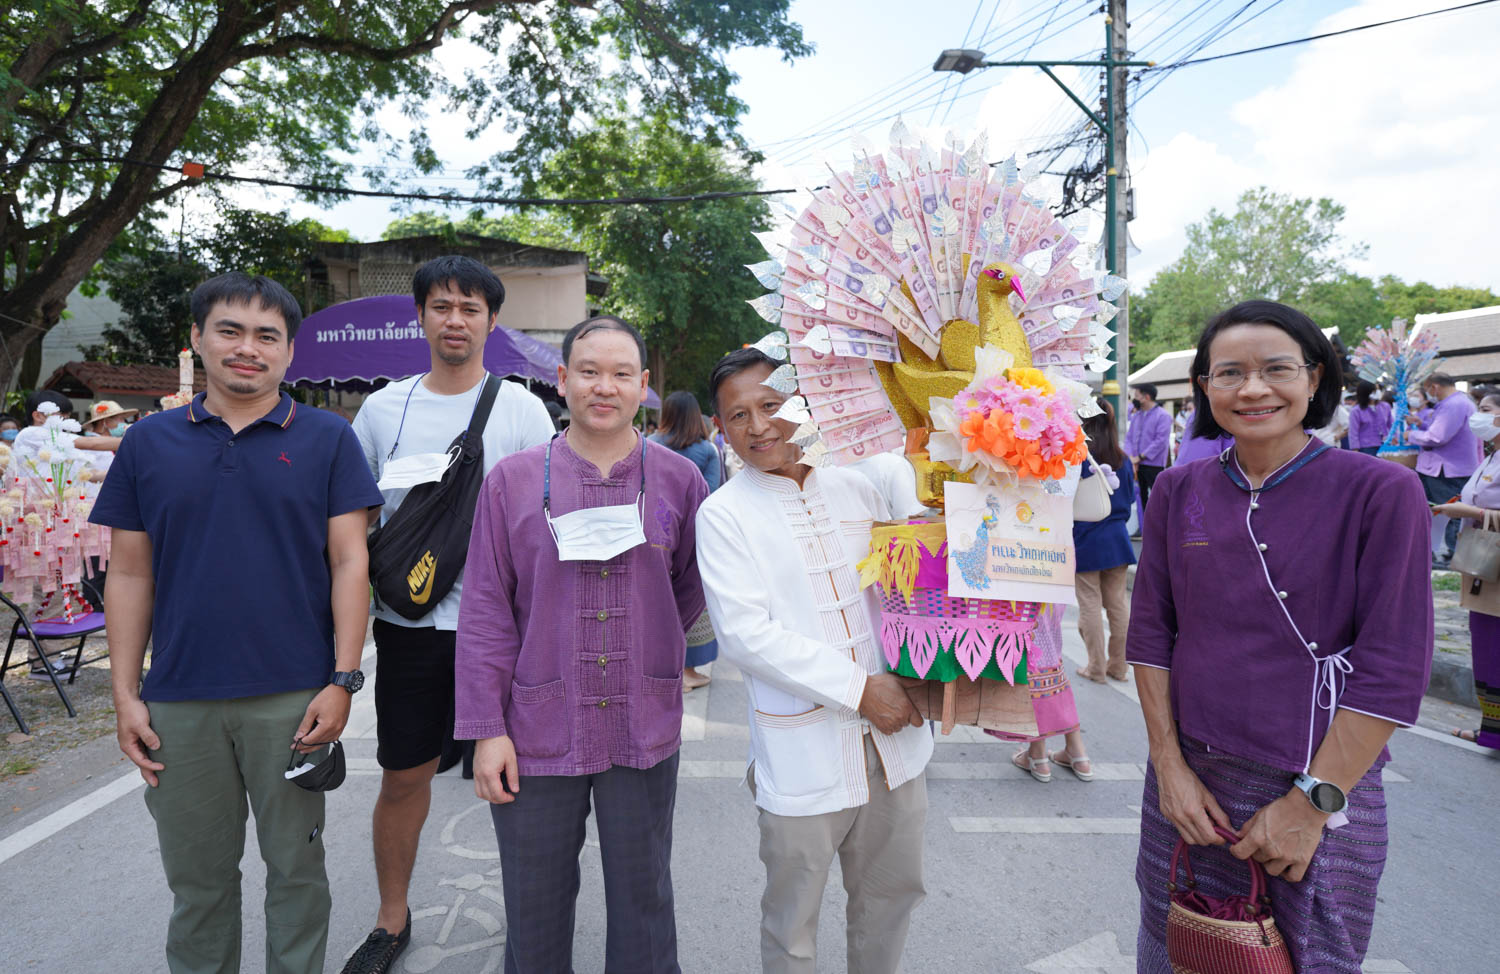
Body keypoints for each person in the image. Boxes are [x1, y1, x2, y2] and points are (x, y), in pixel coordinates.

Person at [89, 272, 384, 974]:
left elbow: (351, 562)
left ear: (289, 352)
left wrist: (343, 679)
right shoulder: (148, 443)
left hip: (294, 698)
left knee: (297, 875)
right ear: (197, 338)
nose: (248, 348)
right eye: (230, 330)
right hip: (179, 701)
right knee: (198, 886)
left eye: (267, 336)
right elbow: (129, 573)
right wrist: (125, 694)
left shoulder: (327, 439)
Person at [1128, 300, 1432, 974]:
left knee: (1306, 957)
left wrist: (1310, 805)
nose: (1253, 389)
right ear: (1205, 387)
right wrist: (1169, 769)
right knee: (1177, 946)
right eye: (1229, 373)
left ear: (1314, 377)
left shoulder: (1381, 491)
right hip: (1189, 787)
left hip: (1318, 783)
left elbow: (1392, 667)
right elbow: (1150, 635)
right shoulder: (1178, 490)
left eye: (1276, 369)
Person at [455, 315, 708, 974]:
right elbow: (485, 610)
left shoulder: (681, 480)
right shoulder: (511, 481)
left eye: (621, 373)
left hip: (642, 722)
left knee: (644, 897)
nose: (605, 386)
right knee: (533, 905)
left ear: (643, 386)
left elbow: (691, 587)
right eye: (589, 371)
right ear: (563, 379)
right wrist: (487, 729)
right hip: (535, 728)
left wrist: (652, 647)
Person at [343, 256, 555, 974]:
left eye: (470, 308)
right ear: (421, 317)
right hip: (411, 632)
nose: (455, 320)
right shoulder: (383, 410)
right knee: (405, 777)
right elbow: (354, 528)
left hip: (505, 634)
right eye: (441, 306)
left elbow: (542, 523)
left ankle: (534, 926)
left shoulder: (523, 411)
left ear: (492, 321)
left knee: (522, 783)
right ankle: (390, 920)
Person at [695, 346, 932, 974]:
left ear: (801, 401)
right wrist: (862, 690)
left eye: (771, 404)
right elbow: (745, 635)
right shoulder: (723, 515)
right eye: (738, 415)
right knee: (792, 926)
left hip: (898, 746)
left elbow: (919, 569)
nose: (759, 426)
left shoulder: (861, 481)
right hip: (802, 757)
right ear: (720, 427)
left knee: (890, 902)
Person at [1432, 393, 1500, 747]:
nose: (1478, 417)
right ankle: (1492, 730)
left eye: (1486, 410)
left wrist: (1471, 513)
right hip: (1483, 568)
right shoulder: (1491, 456)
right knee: (1486, 647)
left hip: (1494, 566)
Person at [650, 390, 722, 692]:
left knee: (654, 602)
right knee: (691, 601)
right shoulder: (707, 451)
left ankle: (660, 668)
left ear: (666, 414)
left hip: (655, 536)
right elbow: (712, 494)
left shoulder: (650, 444)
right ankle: (687, 671)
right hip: (694, 537)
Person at [1073, 398, 1135, 685]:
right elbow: (1129, 498)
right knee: (1118, 605)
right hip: (1117, 541)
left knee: (1089, 604)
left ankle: (1096, 667)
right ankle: (1119, 667)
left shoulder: (1077, 458)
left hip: (1086, 539)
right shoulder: (1123, 459)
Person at [1409, 372, 1482, 569]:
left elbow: (1437, 437)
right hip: (1451, 467)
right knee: (1446, 512)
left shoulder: (1453, 405)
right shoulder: (1459, 402)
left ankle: (1452, 555)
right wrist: (1422, 424)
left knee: (1451, 514)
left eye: (1426, 390)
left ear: (1434, 387)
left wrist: (1412, 435)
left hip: (1447, 469)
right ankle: (1447, 553)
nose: (1427, 394)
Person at [1123, 382, 1170, 531]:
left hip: (1154, 465)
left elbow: (1160, 441)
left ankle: (1161, 530)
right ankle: (1145, 530)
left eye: (1137, 395)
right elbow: (1129, 438)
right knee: (1141, 500)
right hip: (1136, 465)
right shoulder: (1136, 416)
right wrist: (1131, 457)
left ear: (1147, 397)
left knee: (1158, 500)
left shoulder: (1163, 416)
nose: (1134, 399)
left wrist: (1140, 457)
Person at [1346, 380, 1392, 455]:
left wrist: (1393, 438)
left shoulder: (1385, 406)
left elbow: (1391, 425)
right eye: (1375, 390)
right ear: (1367, 392)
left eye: (1378, 389)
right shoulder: (1356, 411)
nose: (1378, 392)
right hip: (1366, 447)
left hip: (1385, 445)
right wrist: (1355, 450)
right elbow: (1353, 432)